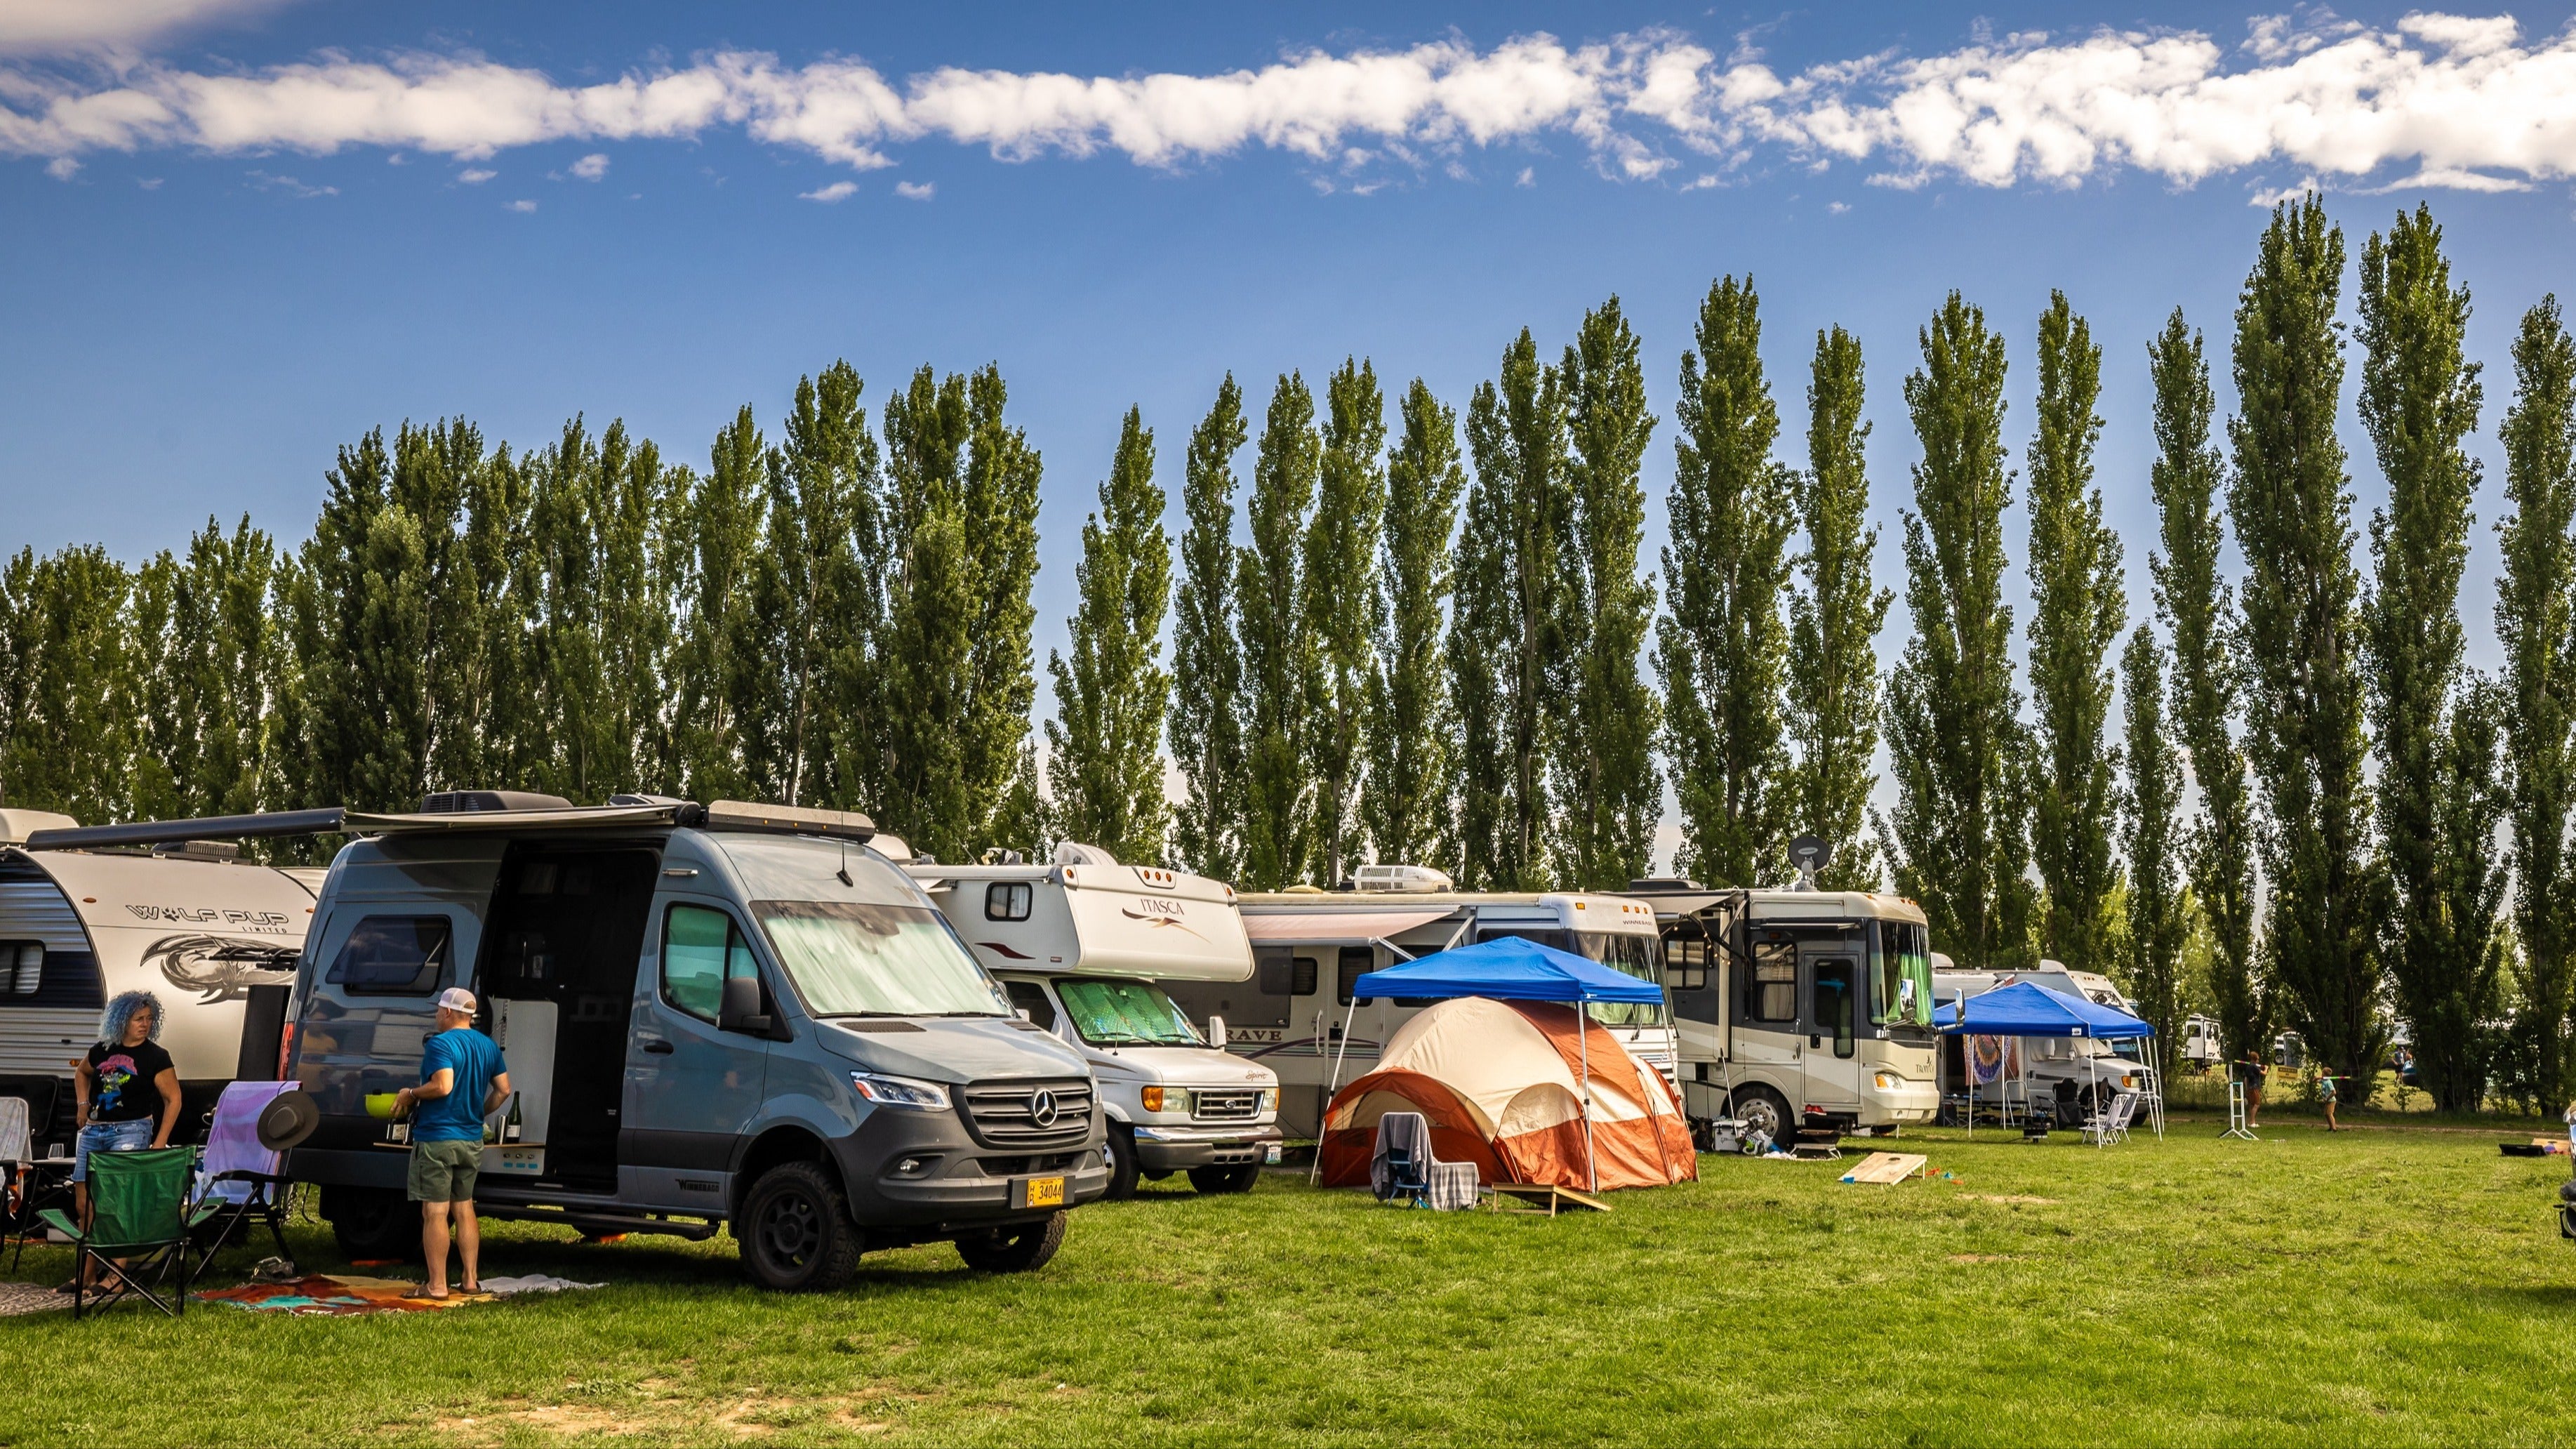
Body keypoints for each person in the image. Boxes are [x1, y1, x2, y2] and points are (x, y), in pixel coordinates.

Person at [60, 991, 181, 1292]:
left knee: (118, 1201)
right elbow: (81, 1073)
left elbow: (174, 1099)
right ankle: (87, 1274)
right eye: (138, 1019)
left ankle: (117, 1275)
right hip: (94, 1131)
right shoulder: (102, 1050)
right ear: (120, 1020)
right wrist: (82, 1105)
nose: (145, 1024)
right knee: (84, 1204)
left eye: (149, 1019)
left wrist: (160, 1140)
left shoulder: (156, 1057)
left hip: (131, 1130)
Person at [394, 986, 510, 1299]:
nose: (436, 1016)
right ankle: (471, 1281)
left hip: (437, 1139)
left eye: (437, 1011)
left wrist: (411, 1094)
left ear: (447, 1012)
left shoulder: (440, 1044)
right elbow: (503, 1090)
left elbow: (442, 1086)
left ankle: (437, 1286)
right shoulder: (488, 1046)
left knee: (434, 1212)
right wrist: (478, 1111)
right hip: (471, 1140)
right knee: (464, 1208)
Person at [2239, 1045, 2266, 1130]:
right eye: (2258, 1059)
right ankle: (2252, 1122)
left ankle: (2251, 1121)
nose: (2258, 1060)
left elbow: (2246, 1079)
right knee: (2257, 1104)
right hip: (2255, 1087)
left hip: (2250, 1088)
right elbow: (2264, 1073)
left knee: (2251, 1105)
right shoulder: (2254, 1067)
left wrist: (2247, 1089)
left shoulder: (2248, 1067)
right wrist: (2266, 1068)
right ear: (2255, 1059)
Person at [2318, 1068, 2339, 1132]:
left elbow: (2334, 1092)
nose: (2321, 1074)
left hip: (2331, 1101)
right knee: (2326, 1114)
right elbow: (2318, 1081)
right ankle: (2331, 1127)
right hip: (2327, 1101)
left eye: (2322, 1073)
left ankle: (2334, 1128)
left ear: (2325, 1074)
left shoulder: (2329, 1082)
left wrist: (2327, 1098)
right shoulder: (2324, 1081)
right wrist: (2315, 1079)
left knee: (2330, 1114)